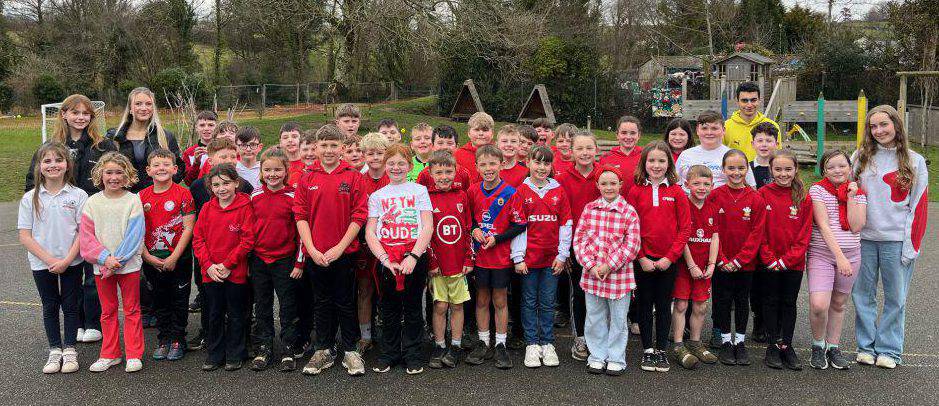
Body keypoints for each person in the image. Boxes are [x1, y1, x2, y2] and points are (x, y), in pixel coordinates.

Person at [24, 94, 114, 344]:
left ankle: (92, 322)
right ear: (63, 114)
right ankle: (77, 323)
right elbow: (33, 182)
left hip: (95, 216)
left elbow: (113, 177)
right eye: (75, 112)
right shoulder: (51, 147)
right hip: (64, 218)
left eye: (85, 113)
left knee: (93, 274)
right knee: (71, 274)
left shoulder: (103, 146)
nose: (81, 117)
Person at [853, 105, 929, 369]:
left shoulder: (914, 160)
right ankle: (865, 346)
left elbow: (918, 207)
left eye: (884, 124)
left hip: (896, 241)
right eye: (873, 126)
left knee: (896, 298)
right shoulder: (860, 157)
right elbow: (848, 197)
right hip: (864, 239)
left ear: (896, 125)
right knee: (862, 295)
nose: (879, 131)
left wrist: (911, 246)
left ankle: (889, 350)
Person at [293, 125, 368, 376]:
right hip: (316, 254)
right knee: (321, 302)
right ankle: (323, 349)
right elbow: (300, 216)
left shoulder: (353, 176)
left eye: (333, 145)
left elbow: (359, 215)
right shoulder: (307, 178)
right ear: (316, 147)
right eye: (323, 145)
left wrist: (339, 247)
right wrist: (311, 249)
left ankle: (350, 350)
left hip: (344, 253)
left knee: (346, 302)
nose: (328, 150)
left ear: (342, 148)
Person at [364, 144, 434, 375]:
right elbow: (370, 232)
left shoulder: (419, 191)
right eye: (391, 163)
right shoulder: (377, 196)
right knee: (388, 308)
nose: (396, 168)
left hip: (413, 256)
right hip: (387, 259)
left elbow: (427, 226)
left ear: (409, 166)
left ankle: (413, 353)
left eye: (401, 163)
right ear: (385, 166)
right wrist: (384, 259)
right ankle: (389, 353)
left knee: (413, 307)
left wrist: (414, 256)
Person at [19, 143, 88, 373]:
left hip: (72, 261)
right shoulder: (30, 198)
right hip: (42, 263)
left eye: (58, 160)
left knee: (70, 305)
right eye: (47, 161)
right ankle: (55, 350)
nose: (53, 165)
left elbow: (82, 232)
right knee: (49, 306)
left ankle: (70, 349)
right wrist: (50, 260)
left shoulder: (78, 195)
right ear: (39, 166)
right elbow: (25, 236)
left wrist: (67, 260)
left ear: (67, 164)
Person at [628, 141, 691, 373]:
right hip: (643, 260)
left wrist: (670, 258)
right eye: (651, 160)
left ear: (669, 164)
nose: (656, 165)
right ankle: (647, 349)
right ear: (644, 163)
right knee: (644, 304)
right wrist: (641, 257)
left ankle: (662, 350)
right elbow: (630, 227)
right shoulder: (635, 191)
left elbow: (685, 228)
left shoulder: (677, 192)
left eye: (661, 161)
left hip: (668, 261)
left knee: (664, 306)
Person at [79, 152, 145, 373]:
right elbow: (86, 238)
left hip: (129, 266)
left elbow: (135, 235)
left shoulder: (133, 200)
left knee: (132, 309)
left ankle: (134, 354)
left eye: (119, 172)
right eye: (109, 172)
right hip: (102, 267)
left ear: (127, 175)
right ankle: (110, 354)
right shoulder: (92, 203)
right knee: (107, 311)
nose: (114, 177)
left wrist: (117, 261)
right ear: (100, 174)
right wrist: (105, 259)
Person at [464, 144, 527, 369]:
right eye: (483, 164)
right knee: (481, 299)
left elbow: (519, 224)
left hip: (500, 257)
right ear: (476, 167)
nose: (488, 168)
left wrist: (498, 239)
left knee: (500, 300)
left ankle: (501, 343)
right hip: (479, 257)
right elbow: (469, 220)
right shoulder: (472, 191)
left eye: (492, 163)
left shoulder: (511, 193)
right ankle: (484, 342)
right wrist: (474, 229)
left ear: (501, 164)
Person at [573, 166, 641, 376]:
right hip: (593, 275)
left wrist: (609, 265)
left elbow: (632, 245)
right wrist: (591, 265)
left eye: (613, 183)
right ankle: (596, 356)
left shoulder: (628, 211)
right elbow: (579, 240)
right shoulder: (589, 209)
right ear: (597, 185)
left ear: (620, 185)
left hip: (619, 277)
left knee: (618, 320)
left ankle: (616, 358)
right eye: (604, 183)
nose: (608, 187)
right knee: (594, 318)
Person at [513, 146, 572, 368]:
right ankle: (532, 343)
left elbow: (566, 224)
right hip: (529, 260)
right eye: (537, 162)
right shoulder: (521, 191)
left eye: (546, 163)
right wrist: (518, 257)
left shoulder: (559, 191)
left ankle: (547, 343)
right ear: (528, 162)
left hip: (551, 260)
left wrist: (562, 255)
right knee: (529, 301)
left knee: (547, 302)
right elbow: (518, 226)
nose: (541, 167)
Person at [807, 150, 867, 370]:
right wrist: (839, 257)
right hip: (823, 254)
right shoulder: (817, 190)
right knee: (819, 304)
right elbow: (823, 225)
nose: (837, 170)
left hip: (852, 254)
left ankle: (833, 347)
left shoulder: (858, 192)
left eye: (842, 166)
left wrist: (851, 197)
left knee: (839, 303)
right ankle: (817, 344)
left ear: (850, 167)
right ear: (824, 170)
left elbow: (857, 226)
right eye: (831, 167)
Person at [192, 164, 256, 372]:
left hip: (234, 271)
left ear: (236, 183)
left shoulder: (246, 206)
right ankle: (215, 353)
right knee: (214, 313)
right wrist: (208, 265)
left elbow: (247, 240)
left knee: (237, 313)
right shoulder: (207, 208)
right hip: (211, 272)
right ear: (211, 187)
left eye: (226, 183)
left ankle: (236, 353)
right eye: (216, 185)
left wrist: (228, 264)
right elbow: (198, 239)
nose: (221, 188)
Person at [248, 148, 302, 372]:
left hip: (285, 260)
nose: (272, 174)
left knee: (288, 306)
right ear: (261, 172)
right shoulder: (254, 196)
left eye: (278, 169)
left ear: (286, 171)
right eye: (267, 170)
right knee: (262, 305)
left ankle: (288, 348)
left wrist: (299, 262)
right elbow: (248, 230)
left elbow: (301, 234)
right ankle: (264, 348)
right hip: (259, 259)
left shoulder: (293, 196)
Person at [139, 149, 195, 362]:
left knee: (179, 300)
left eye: (165, 164)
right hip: (152, 258)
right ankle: (163, 339)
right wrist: (146, 256)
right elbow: (136, 230)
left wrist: (174, 257)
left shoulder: (183, 194)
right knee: (159, 299)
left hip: (178, 258)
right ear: (148, 170)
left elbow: (188, 228)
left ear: (175, 169)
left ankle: (178, 339)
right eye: (156, 165)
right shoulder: (141, 197)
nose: (161, 168)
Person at [710, 149, 765, 366]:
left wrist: (740, 260)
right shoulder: (714, 195)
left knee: (742, 301)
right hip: (721, 262)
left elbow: (757, 233)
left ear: (747, 169)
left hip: (745, 264)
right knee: (722, 300)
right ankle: (725, 340)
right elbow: (712, 229)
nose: (736, 172)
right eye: (731, 168)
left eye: (741, 168)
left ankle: (740, 341)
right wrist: (721, 259)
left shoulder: (756, 198)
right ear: (723, 170)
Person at [758, 150, 812, 371]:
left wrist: (787, 260)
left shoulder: (803, 196)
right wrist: (770, 258)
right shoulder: (762, 194)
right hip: (768, 262)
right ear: (771, 170)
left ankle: (787, 345)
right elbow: (758, 230)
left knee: (789, 302)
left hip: (793, 264)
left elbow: (804, 234)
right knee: (770, 302)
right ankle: (772, 346)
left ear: (795, 169)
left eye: (788, 169)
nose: (783, 174)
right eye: (778, 169)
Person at [424, 151, 474, 369]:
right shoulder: (426, 197)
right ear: (431, 174)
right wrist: (431, 262)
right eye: (439, 172)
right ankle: (439, 345)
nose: (444, 176)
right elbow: (425, 234)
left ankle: (455, 345)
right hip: (438, 266)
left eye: (448, 172)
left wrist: (469, 257)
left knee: (457, 305)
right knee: (440, 306)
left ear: (455, 172)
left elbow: (468, 228)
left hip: (458, 264)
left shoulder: (462, 195)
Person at [556, 130, 602, 361]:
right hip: (575, 247)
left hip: (602, 248)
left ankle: (600, 337)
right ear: (572, 151)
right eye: (580, 148)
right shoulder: (562, 179)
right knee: (580, 293)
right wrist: (564, 251)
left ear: (596, 150)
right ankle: (581, 338)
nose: (585, 153)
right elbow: (559, 217)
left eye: (589, 148)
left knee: (600, 295)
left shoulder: (604, 176)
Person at [671, 165, 720, 369]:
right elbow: (681, 237)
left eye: (706, 184)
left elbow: (715, 237)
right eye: (696, 183)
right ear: (687, 184)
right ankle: (678, 345)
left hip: (704, 267)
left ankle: (695, 343)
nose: (702, 187)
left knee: (700, 306)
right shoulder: (683, 205)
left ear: (712, 186)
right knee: (681, 305)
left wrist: (712, 264)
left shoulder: (713, 207)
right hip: (685, 266)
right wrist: (691, 265)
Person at [355, 132, 391, 354]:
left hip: (389, 245)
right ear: (364, 155)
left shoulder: (394, 178)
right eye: (371, 153)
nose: (376, 157)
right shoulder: (358, 180)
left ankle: (390, 334)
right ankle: (365, 336)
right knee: (365, 289)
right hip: (363, 245)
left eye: (380, 153)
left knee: (388, 290)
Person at [109, 87, 185, 193]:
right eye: (138, 104)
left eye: (148, 104)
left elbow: (179, 168)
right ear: (130, 109)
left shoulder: (165, 136)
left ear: (153, 108)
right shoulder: (115, 137)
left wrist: (163, 186)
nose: (144, 108)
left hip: (156, 197)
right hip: (123, 197)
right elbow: (105, 169)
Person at [747, 121, 779, 345]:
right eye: (760, 140)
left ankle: (773, 323)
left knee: (773, 281)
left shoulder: (781, 168)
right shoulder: (747, 168)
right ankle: (758, 322)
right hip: (753, 232)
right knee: (755, 283)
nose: (764, 144)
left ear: (776, 143)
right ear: (753, 143)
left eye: (769, 140)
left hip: (775, 232)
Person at [676, 110, 756, 189]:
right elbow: (675, 185)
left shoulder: (735, 157)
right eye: (704, 128)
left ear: (723, 130)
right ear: (697, 130)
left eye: (714, 128)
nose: (709, 132)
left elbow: (751, 188)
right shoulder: (685, 155)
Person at [723, 81, 781, 161]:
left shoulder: (772, 126)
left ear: (759, 100)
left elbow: (777, 157)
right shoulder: (726, 127)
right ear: (737, 101)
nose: (749, 105)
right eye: (744, 100)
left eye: (753, 100)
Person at [417, 125, 472, 191]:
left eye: (450, 143)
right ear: (432, 146)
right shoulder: (425, 174)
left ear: (457, 147)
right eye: (440, 143)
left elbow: (468, 195)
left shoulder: (464, 173)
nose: (445, 147)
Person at [598, 116, 643, 196]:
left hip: (640, 202)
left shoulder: (646, 156)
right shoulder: (605, 159)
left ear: (639, 135)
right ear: (617, 135)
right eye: (624, 133)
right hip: (614, 203)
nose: (628, 137)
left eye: (633, 133)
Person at [453, 112, 495, 183]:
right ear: (469, 133)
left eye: (485, 130)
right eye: (477, 130)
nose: (481, 133)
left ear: (492, 134)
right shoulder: (458, 155)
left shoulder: (498, 153)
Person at [182, 111, 219, 186]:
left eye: (211, 125)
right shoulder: (189, 153)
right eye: (202, 125)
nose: (206, 128)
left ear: (217, 127)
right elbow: (188, 182)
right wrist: (196, 163)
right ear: (196, 128)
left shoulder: (223, 149)